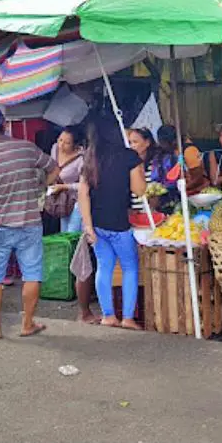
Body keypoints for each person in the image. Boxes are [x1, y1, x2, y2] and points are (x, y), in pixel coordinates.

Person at [0, 105, 58, 340]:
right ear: (4, 124)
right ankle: (27, 324)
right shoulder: (26, 148)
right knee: (31, 275)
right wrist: (40, 188)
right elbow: (53, 168)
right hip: (29, 221)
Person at [79, 119, 146, 330]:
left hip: (97, 224)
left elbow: (83, 193)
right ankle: (127, 318)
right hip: (120, 224)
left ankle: (108, 316)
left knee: (104, 267)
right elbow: (139, 190)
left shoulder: (90, 158)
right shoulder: (129, 157)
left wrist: (88, 226)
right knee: (129, 268)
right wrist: (139, 168)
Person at [47, 126, 85, 233]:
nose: (61, 145)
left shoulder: (82, 159)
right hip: (62, 199)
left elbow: (84, 185)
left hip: (77, 200)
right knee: (64, 232)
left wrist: (63, 186)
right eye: (60, 140)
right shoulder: (55, 149)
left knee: (72, 232)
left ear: (76, 145)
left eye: (67, 143)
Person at [157, 125, 208, 196]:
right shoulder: (174, 150)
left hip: (199, 192)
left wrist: (181, 189)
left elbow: (198, 178)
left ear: (173, 142)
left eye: (163, 144)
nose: (162, 146)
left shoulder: (189, 151)